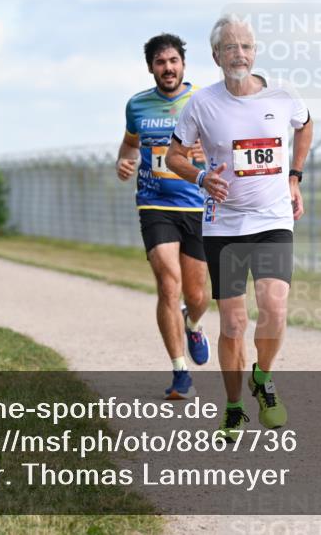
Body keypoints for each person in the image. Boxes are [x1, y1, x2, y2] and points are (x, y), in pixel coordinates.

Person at [166, 14, 313, 440]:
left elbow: (305, 126)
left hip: (272, 219)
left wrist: (294, 176)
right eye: (230, 47)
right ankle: (233, 407)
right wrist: (198, 177)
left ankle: (262, 380)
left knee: (275, 307)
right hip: (224, 224)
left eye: (246, 46)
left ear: (255, 52)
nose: (239, 54)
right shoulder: (201, 104)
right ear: (216, 55)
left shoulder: (283, 96)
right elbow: (175, 155)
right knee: (232, 324)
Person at [117, 33, 210, 400]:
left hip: (197, 205)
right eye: (160, 62)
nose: (167, 68)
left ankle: (194, 322)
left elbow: (226, 147)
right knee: (167, 283)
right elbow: (129, 144)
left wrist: (207, 151)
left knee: (198, 293)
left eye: (173, 61)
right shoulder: (137, 105)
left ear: (183, 64)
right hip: (154, 203)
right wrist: (123, 161)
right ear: (151, 68)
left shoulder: (203, 100)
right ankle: (179, 371)